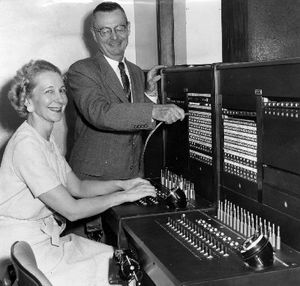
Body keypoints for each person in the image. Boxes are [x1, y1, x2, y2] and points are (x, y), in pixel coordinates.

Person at [0, 59, 156, 286]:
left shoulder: (43, 138)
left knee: (122, 261)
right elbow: (72, 210)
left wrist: (123, 184)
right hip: (24, 247)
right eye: (49, 91)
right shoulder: (27, 145)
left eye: (61, 90)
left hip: (43, 239)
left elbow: (77, 187)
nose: (60, 99)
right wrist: (124, 197)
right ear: (28, 102)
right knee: (123, 272)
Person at [67, 1, 186, 181]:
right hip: (92, 181)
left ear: (128, 28)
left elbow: (133, 117)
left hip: (132, 178)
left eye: (119, 28)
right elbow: (100, 113)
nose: (114, 37)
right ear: (94, 34)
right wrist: (153, 110)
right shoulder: (81, 70)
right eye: (105, 31)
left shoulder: (136, 72)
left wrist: (150, 95)